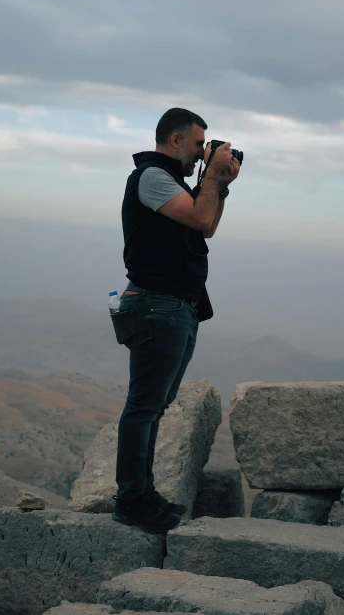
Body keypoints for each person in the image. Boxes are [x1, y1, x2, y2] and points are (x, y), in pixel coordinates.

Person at [110, 107, 240, 533]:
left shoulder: (178, 183)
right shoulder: (151, 177)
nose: (204, 151)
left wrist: (217, 183)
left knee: (155, 406)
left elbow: (207, 228)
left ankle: (142, 493)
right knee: (143, 407)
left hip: (175, 307)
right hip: (155, 306)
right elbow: (201, 218)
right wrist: (211, 177)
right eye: (200, 144)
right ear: (175, 141)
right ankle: (131, 497)